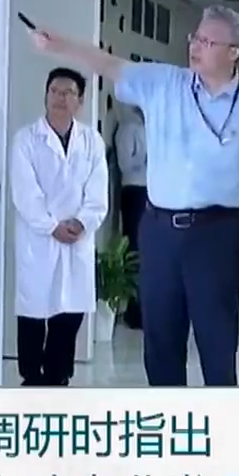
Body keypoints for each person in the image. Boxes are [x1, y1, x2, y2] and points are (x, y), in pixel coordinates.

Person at [31, 5, 239, 386]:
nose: (195, 47)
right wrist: (59, 45)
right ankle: (169, 415)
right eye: (195, 38)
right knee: (161, 340)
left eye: (208, 42)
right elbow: (109, 64)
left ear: (234, 52)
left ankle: (223, 417)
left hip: (216, 234)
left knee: (217, 341)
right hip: (160, 231)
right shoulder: (163, 83)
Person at [7, 67, 108, 386]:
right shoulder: (26, 140)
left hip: (77, 237)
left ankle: (58, 376)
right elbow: (25, 193)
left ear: (80, 100)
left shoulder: (91, 141)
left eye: (68, 93)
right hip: (39, 238)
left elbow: (97, 192)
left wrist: (81, 222)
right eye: (54, 91)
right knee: (34, 311)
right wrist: (51, 226)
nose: (60, 98)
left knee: (70, 311)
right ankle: (31, 377)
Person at [113, 103, 149, 329]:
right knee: (135, 249)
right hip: (134, 191)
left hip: (151, 194)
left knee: (149, 251)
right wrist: (146, 156)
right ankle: (135, 310)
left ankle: (148, 309)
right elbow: (125, 164)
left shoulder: (151, 128)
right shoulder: (128, 128)